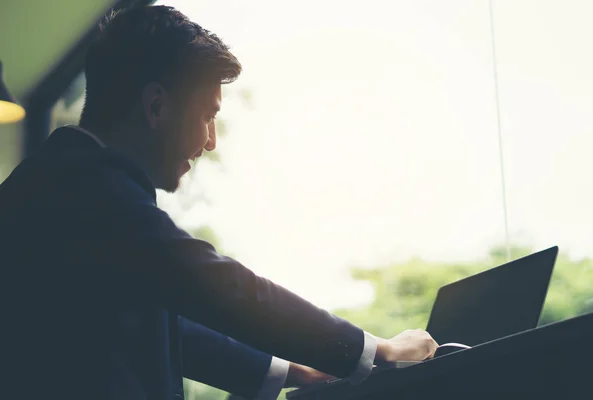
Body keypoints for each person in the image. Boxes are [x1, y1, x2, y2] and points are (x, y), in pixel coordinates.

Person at [0, 5, 438, 400]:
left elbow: (161, 324)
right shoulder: (85, 188)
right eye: (208, 116)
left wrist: (294, 370)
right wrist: (376, 348)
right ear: (156, 107)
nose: (209, 142)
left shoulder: (59, 183)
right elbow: (216, 284)